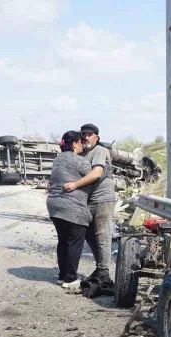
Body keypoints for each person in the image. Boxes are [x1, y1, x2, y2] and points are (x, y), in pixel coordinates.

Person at [63, 123, 116, 292]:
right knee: (88, 234)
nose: (86, 137)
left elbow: (97, 173)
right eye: (84, 134)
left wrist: (74, 185)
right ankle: (100, 268)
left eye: (90, 134)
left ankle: (104, 273)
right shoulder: (82, 154)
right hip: (87, 200)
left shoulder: (99, 151)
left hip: (102, 198)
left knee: (102, 235)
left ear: (96, 137)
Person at [46, 131, 93, 291]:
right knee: (75, 241)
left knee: (63, 241)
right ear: (74, 144)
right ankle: (70, 278)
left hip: (54, 204)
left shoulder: (58, 159)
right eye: (80, 143)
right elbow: (94, 176)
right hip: (72, 206)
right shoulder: (78, 160)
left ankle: (62, 276)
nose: (82, 145)